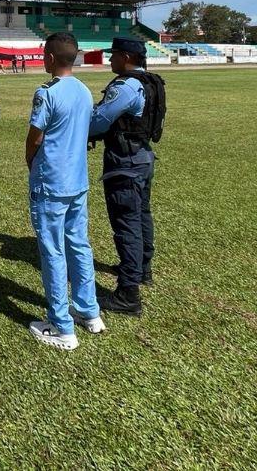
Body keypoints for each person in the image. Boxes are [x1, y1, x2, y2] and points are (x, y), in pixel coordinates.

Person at [24, 33, 104, 350]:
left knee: (53, 250)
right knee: (79, 246)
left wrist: (31, 161)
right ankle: (89, 312)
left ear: (52, 59)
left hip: (52, 181)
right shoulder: (84, 91)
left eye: (44, 55)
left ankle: (61, 326)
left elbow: (35, 137)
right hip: (77, 181)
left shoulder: (47, 93)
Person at [88, 36, 164, 317]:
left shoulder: (126, 86)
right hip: (142, 156)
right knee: (142, 216)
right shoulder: (150, 81)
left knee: (127, 223)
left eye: (114, 55)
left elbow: (99, 120)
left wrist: (84, 131)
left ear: (127, 57)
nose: (111, 60)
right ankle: (142, 269)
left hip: (125, 161)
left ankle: (128, 293)